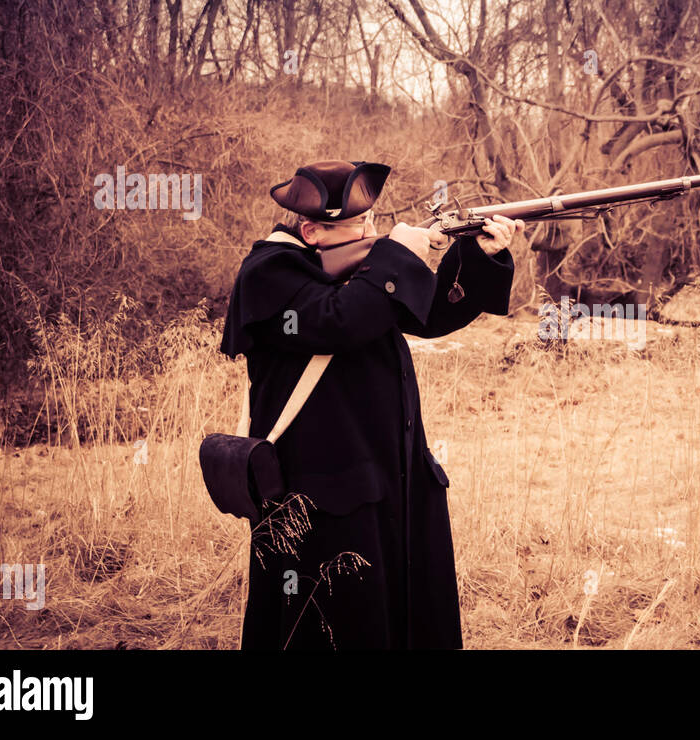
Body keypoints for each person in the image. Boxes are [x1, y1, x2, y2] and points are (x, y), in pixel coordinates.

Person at [218, 160, 522, 649]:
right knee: (331, 628)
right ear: (312, 230)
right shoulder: (268, 272)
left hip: (390, 478)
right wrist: (397, 255)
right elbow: (336, 321)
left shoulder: (362, 271)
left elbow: (430, 315)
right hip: (320, 495)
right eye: (358, 225)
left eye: (372, 221)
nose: (371, 233)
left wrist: (478, 255)